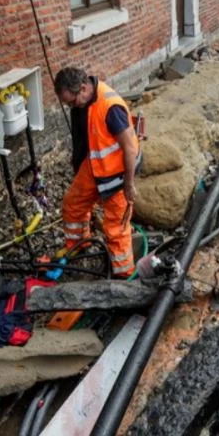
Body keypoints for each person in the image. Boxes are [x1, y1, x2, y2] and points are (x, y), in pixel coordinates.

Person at [54, 67, 143, 278]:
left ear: (83, 88)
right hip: (94, 166)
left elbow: (130, 148)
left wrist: (129, 185)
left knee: (116, 228)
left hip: (117, 175)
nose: (71, 106)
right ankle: (77, 246)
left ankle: (124, 275)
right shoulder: (84, 101)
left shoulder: (110, 108)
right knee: (72, 204)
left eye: (72, 102)